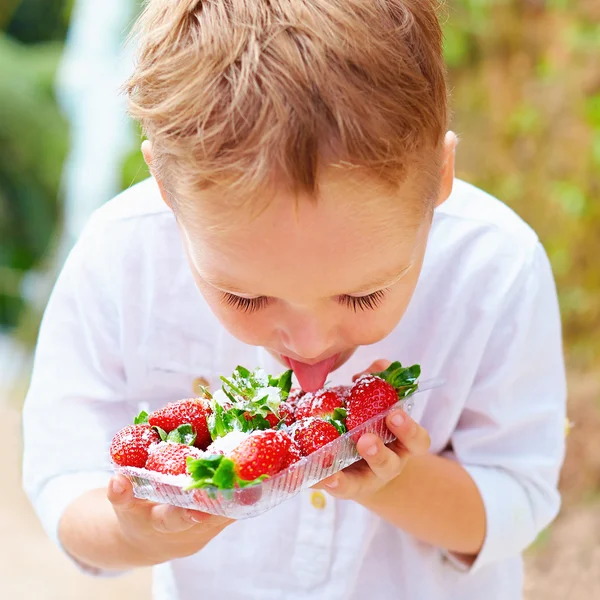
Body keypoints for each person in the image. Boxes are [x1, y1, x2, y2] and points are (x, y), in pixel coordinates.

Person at [22, 1, 566, 599]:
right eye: (246, 298)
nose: (307, 345)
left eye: (363, 296)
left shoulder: (495, 267)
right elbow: (64, 479)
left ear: (440, 174)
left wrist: (392, 483)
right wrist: (140, 535)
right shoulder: (120, 257)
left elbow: (518, 499)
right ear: (166, 190)